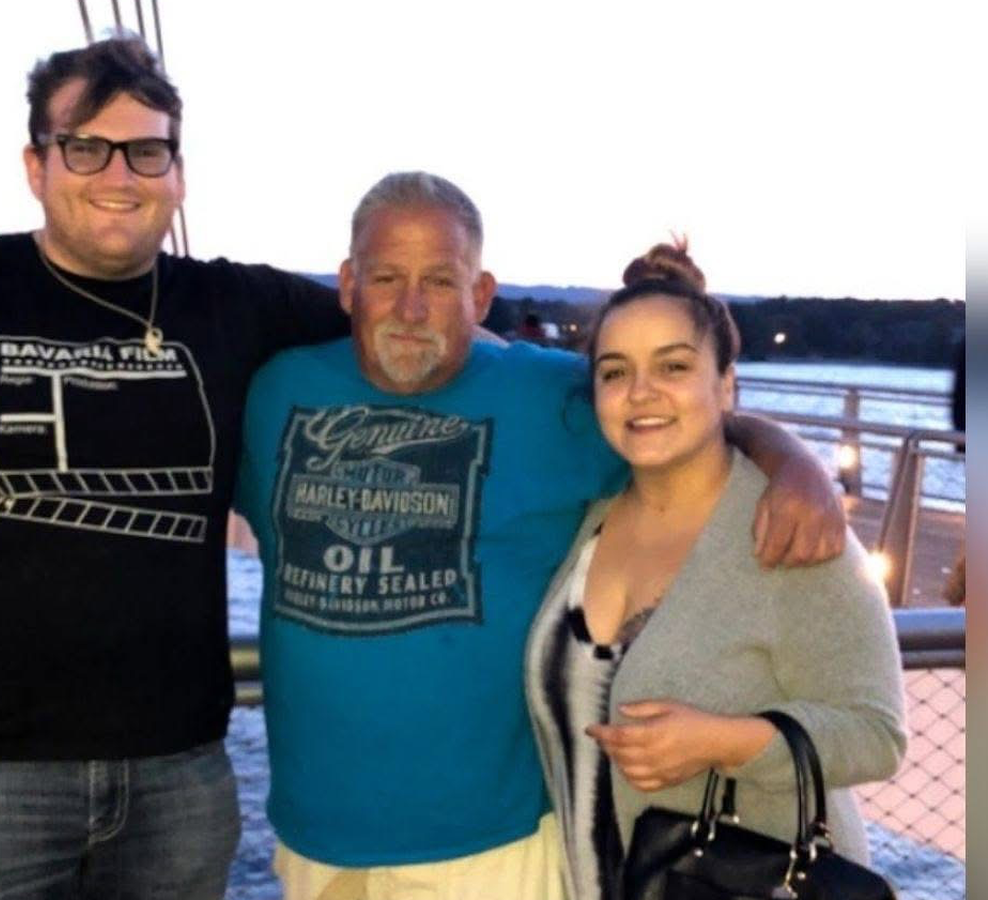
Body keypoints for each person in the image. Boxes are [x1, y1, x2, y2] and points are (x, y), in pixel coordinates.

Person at [0, 37, 350, 898]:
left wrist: (566, 381)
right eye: (86, 147)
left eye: (147, 151)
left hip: (177, 774)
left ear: (178, 174)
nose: (120, 175)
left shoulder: (238, 306)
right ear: (37, 165)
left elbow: (410, 326)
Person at [236, 172, 847, 900]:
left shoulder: (553, 397)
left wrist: (795, 464)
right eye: (386, 278)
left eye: (440, 281)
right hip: (316, 839)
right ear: (347, 285)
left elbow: (686, 423)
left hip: (494, 849)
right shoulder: (275, 391)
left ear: (481, 293)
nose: (411, 307)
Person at [525, 240, 907, 900]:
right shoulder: (588, 517)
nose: (640, 392)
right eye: (615, 372)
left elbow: (878, 735)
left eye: (673, 366)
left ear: (726, 384)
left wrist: (728, 743)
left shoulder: (790, 532)